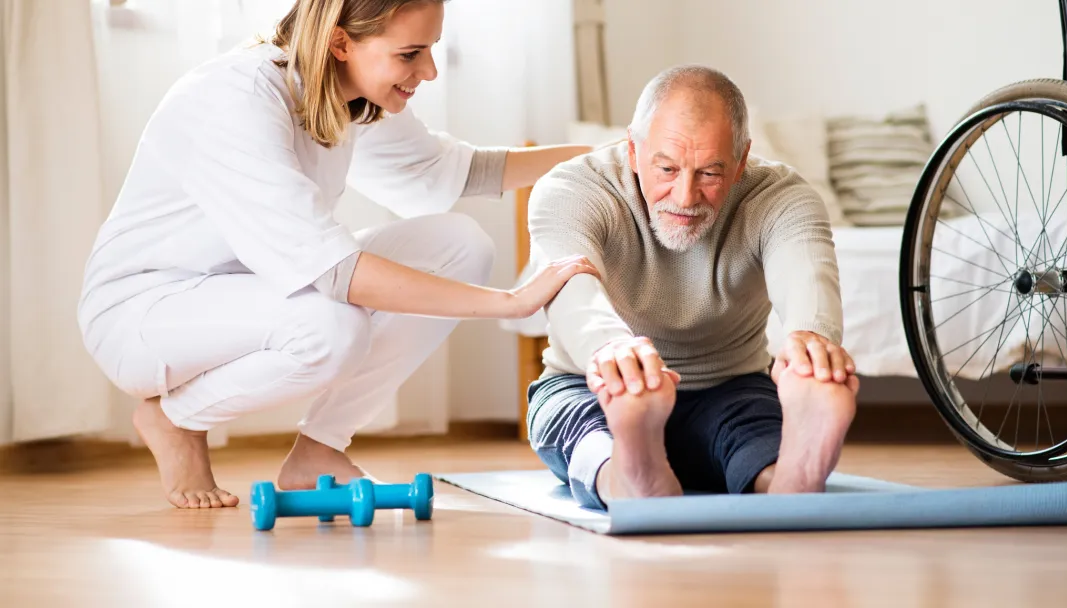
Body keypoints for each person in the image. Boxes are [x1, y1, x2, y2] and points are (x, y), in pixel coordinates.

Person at [76, 0, 597, 509]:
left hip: (253, 291)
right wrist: (510, 301)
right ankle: (177, 417)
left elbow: (456, 173)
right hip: (145, 312)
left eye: (431, 50)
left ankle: (319, 453)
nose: (430, 71)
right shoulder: (235, 96)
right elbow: (333, 271)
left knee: (459, 245)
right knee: (330, 328)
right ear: (341, 42)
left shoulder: (345, 92)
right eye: (411, 53)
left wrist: (608, 160)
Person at [525, 64, 860, 510]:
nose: (684, 197)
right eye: (666, 168)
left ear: (741, 160)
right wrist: (613, 354)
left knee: (753, 430)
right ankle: (626, 473)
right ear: (632, 149)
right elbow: (572, 290)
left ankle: (791, 479)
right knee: (583, 431)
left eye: (709, 174)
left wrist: (810, 345)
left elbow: (806, 273)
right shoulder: (571, 189)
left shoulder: (782, 197)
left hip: (729, 389)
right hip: (592, 386)